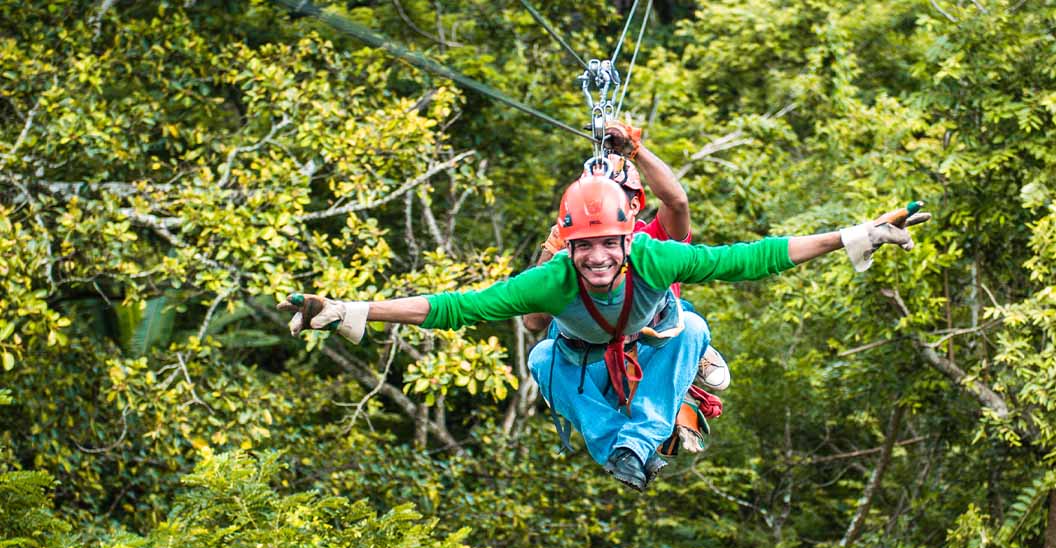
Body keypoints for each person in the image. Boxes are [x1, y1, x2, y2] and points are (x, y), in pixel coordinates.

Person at [278, 175, 929, 491]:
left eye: (606, 246)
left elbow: (749, 257)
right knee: (539, 360)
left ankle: (646, 437)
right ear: (569, 245)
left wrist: (853, 235)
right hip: (580, 359)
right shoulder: (552, 280)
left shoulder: (656, 257)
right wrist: (352, 310)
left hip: (646, 345)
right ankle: (628, 448)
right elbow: (457, 307)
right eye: (583, 247)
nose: (595, 259)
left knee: (691, 326)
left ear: (627, 238)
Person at [523, 122, 730, 411]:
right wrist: (554, 248)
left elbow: (677, 203)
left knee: (683, 312)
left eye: (614, 199)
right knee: (549, 347)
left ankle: (694, 350)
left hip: (652, 348)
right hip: (595, 358)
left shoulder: (653, 238)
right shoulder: (575, 254)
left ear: (634, 205)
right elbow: (533, 322)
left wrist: (636, 151)